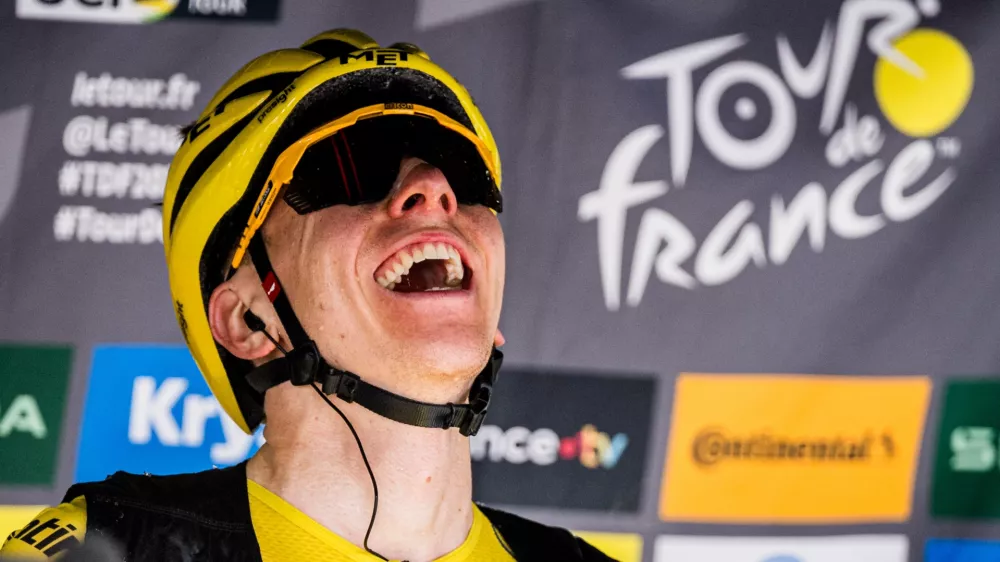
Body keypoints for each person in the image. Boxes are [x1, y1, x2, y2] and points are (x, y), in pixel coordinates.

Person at [0, 29, 614, 562]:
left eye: (460, 169)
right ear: (247, 320)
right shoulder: (106, 550)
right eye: (348, 168)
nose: (432, 186)